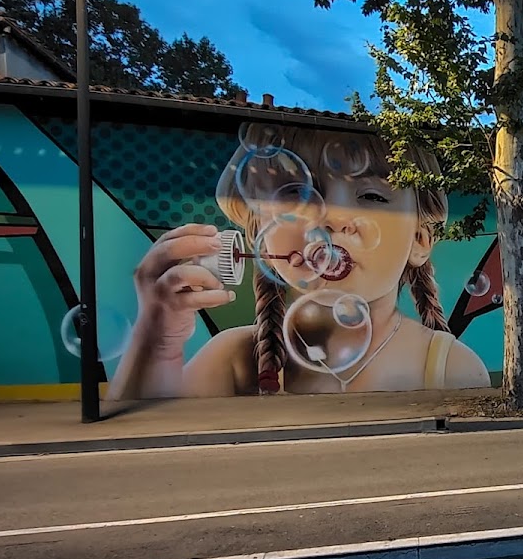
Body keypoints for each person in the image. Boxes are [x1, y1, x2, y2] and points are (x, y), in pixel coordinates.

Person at [108, 124, 489, 400]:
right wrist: (157, 342)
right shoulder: (235, 358)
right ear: (261, 233)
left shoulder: (450, 366)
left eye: (371, 196)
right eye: (296, 194)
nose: (330, 218)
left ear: (420, 240)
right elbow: (140, 454)